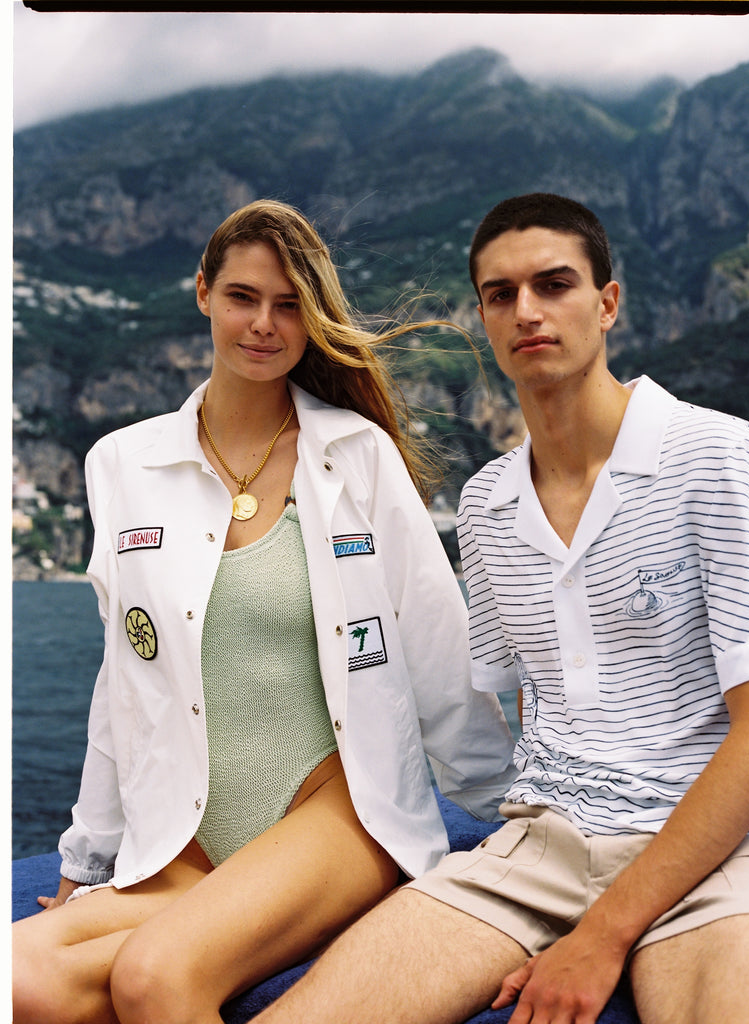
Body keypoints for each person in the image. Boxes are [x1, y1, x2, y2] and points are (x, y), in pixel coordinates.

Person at [250, 193, 749, 1024]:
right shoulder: (489, 503)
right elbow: (531, 703)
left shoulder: (720, 456)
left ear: (608, 303)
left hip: (724, 852)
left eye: (554, 284)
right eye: (500, 294)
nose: (526, 310)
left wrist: (602, 936)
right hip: (540, 846)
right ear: (484, 317)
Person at [12, 198, 517, 1024]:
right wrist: (86, 857)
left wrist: (512, 818)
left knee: (157, 977)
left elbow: (435, 650)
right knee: (19, 981)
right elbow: (123, 683)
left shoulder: (358, 456)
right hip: (182, 837)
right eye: (244, 297)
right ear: (203, 291)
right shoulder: (122, 464)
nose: (264, 324)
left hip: (331, 815)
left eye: (290, 306)